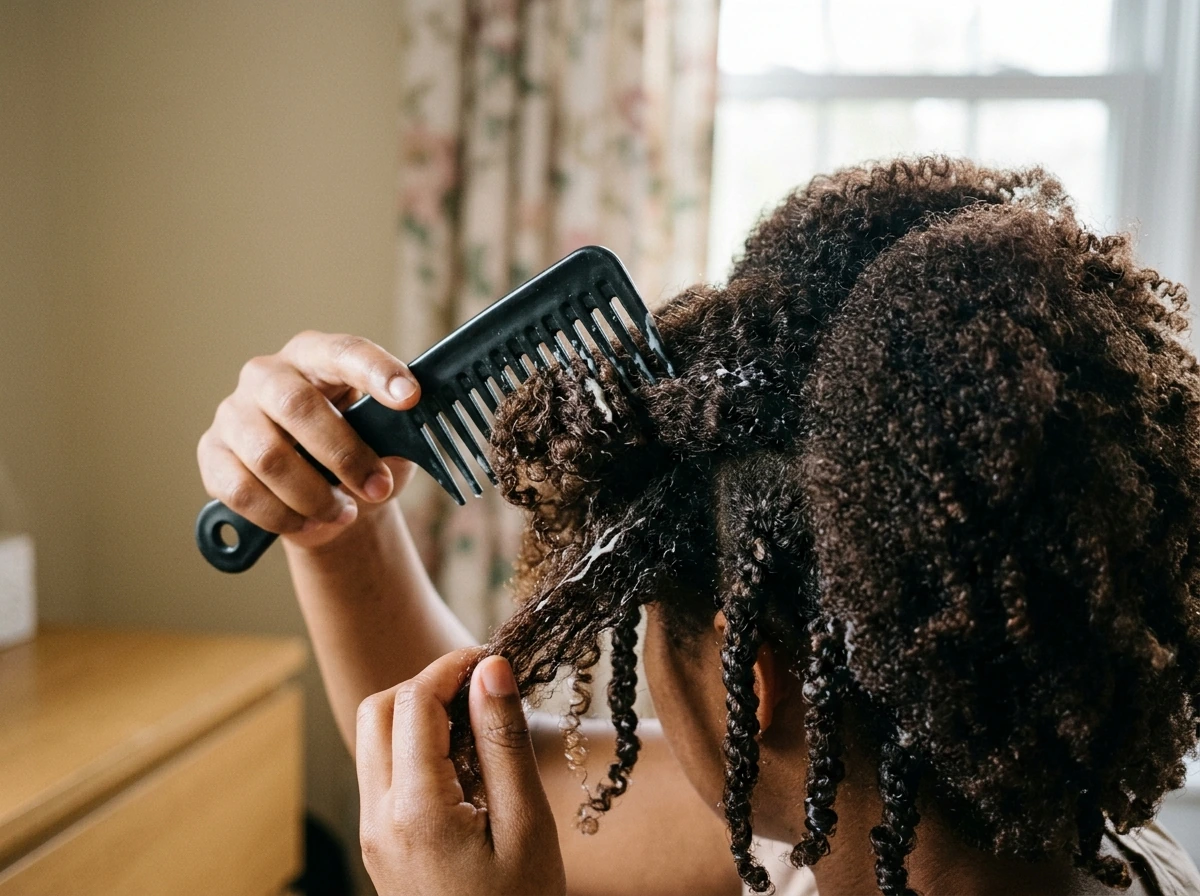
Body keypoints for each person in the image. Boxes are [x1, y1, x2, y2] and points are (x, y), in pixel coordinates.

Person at [197, 157, 1200, 896]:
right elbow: (480, 787)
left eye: (648, 618)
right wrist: (339, 526)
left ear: (749, 679)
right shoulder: (965, 822)